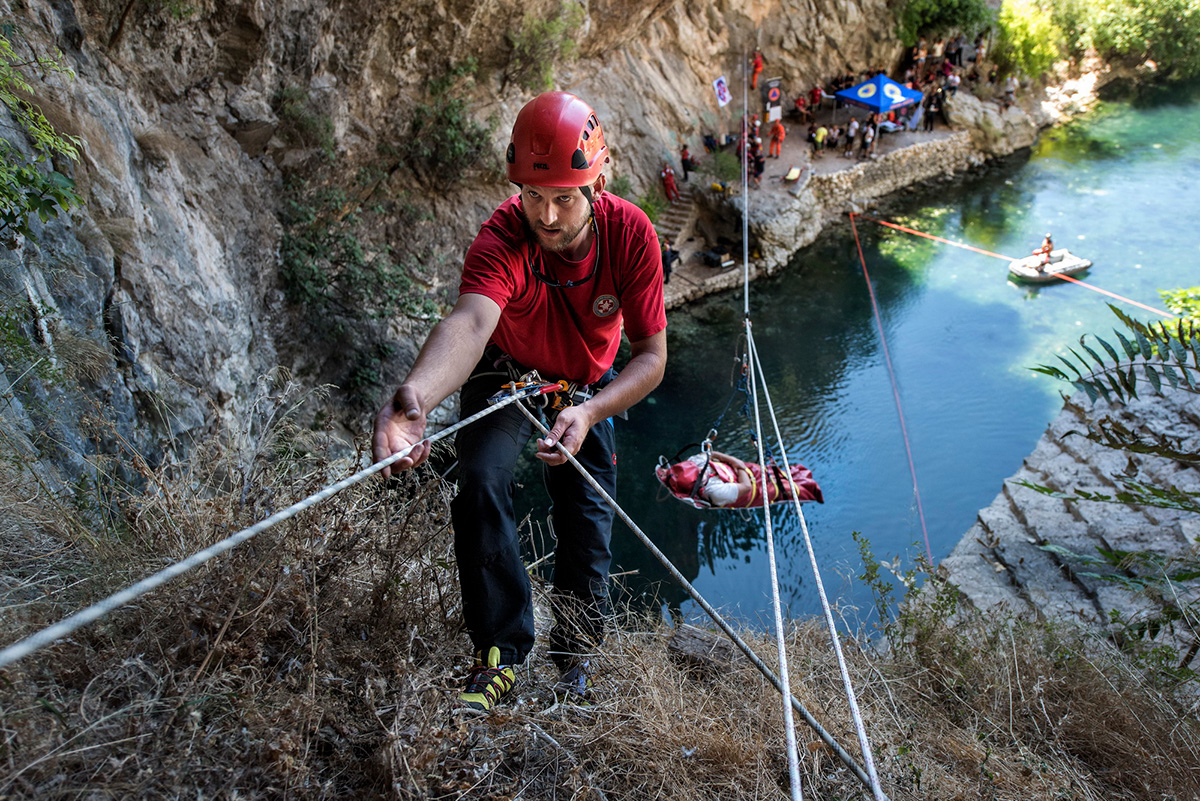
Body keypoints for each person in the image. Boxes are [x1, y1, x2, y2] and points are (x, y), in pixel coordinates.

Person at [371, 91, 668, 711]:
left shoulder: (631, 236)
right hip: (505, 373)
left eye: (564, 197)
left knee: (587, 514)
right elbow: (472, 324)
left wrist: (588, 411)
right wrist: (415, 397)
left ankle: (577, 654)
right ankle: (501, 653)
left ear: (599, 183)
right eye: (534, 195)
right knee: (480, 480)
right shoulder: (502, 237)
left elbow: (650, 357)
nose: (548, 215)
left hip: (585, 384)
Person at [656, 451, 823, 509]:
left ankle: (801, 475)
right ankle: (813, 490)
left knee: (778, 473)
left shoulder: (695, 464)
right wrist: (740, 467)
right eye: (700, 472)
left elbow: (711, 455)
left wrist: (734, 462)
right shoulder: (714, 492)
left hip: (741, 470)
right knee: (788, 489)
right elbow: (746, 488)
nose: (702, 468)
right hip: (753, 489)